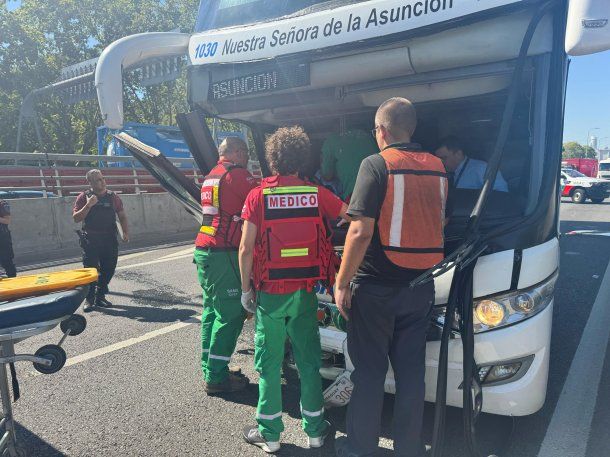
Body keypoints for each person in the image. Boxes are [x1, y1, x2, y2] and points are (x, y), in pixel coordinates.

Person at [334, 98, 448, 457]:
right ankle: (409, 449)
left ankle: (360, 449)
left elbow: (359, 232)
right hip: (420, 290)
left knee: (368, 374)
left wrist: (341, 283)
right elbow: (440, 222)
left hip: (376, 291)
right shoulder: (439, 167)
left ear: (381, 131)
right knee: (411, 376)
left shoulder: (376, 165)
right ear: (410, 129)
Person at [239, 126, 349, 453]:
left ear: (272, 159)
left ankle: (270, 435)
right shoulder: (316, 193)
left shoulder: (258, 195)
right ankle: (315, 430)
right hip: (304, 292)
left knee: (269, 363)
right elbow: (350, 215)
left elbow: (245, 249)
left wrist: (246, 289)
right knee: (309, 361)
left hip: (270, 294)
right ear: (303, 157)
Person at [194, 137, 257, 394]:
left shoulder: (212, 175)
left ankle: (210, 368)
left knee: (212, 312)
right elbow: (262, 197)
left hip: (205, 252)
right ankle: (217, 378)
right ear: (238, 152)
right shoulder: (238, 175)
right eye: (246, 153)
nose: (247, 158)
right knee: (231, 315)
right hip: (223, 254)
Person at [73, 169, 129, 311]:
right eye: (98, 180)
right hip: (91, 239)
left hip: (109, 238)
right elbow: (76, 218)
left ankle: (100, 296)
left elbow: (122, 216)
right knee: (91, 271)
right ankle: (90, 299)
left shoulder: (113, 197)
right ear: (90, 182)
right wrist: (88, 205)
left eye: (102, 178)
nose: (102, 182)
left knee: (109, 269)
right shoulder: (83, 197)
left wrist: (125, 232)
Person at [435, 136, 508, 192]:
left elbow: (501, 193)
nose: (441, 162)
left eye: (444, 158)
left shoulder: (481, 168)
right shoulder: (448, 173)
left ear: (458, 154)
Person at [321, 129, 378, 201]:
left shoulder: (332, 140)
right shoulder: (375, 137)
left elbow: (327, 175)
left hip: (353, 199)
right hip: (378, 196)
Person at [0, 199, 17, 278]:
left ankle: (13, 282)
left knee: (6, 260)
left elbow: (7, 221)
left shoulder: (2, 204)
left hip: (2, 236)